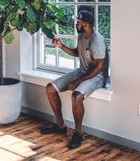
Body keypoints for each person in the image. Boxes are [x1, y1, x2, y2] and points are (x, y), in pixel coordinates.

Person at [40, 10, 109, 149]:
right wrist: (61, 46)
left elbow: (99, 67)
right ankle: (60, 126)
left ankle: (78, 133)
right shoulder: (82, 36)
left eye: (78, 22)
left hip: (97, 75)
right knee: (50, 89)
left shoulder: (97, 41)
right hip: (83, 71)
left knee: (76, 96)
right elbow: (78, 53)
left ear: (85, 24)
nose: (76, 24)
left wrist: (77, 81)